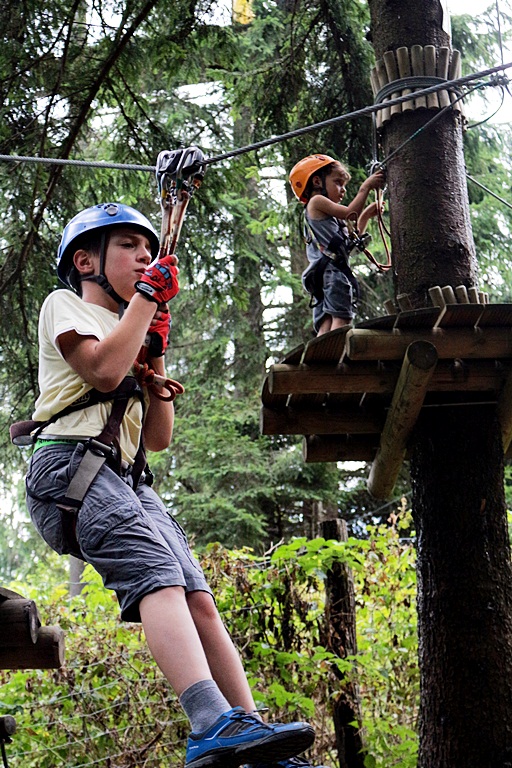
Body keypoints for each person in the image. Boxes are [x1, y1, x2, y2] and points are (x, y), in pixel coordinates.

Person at [23, 203, 316, 768]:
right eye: (128, 245)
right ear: (85, 261)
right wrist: (145, 304)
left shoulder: (135, 330)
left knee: (197, 597)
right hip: (71, 465)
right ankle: (209, 722)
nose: (144, 256)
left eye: (148, 249)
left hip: (127, 478)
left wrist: (155, 351)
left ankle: (251, 737)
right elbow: (103, 371)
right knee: (157, 577)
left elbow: (157, 438)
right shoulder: (65, 305)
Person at [289, 154, 385, 336]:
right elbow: (350, 212)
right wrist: (365, 187)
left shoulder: (329, 216)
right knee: (342, 318)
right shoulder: (317, 202)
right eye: (338, 183)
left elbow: (351, 241)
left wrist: (366, 215)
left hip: (323, 274)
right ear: (317, 182)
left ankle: (323, 352)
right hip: (331, 273)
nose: (343, 190)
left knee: (326, 323)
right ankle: (337, 351)